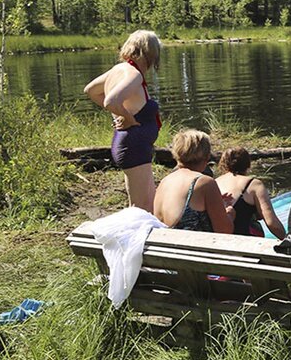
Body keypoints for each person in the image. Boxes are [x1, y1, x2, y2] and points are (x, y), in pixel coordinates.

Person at [84, 30, 163, 210]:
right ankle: (131, 237)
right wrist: (128, 118)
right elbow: (110, 100)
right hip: (133, 147)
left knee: (148, 202)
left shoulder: (118, 69)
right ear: (149, 53)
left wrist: (121, 114)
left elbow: (90, 90)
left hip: (134, 147)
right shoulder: (133, 74)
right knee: (140, 208)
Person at [153, 129, 234, 233]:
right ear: (207, 156)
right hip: (192, 247)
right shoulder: (204, 182)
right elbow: (224, 231)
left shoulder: (164, 182)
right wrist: (230, 214)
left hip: (164, 247)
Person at [215, 147, 286, 238]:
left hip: (219, 240)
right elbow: (271, 223)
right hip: (247, 242)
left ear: (223, 164)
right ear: (248, 164)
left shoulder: (214, 182)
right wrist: (287, 239)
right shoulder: (253, 184)